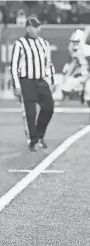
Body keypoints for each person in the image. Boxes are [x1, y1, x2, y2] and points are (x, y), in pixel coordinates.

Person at [10, 17, 55, 152]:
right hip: (26, 81)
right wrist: (16, 85)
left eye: (37, 27)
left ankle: (40, 134)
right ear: (28, 28)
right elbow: (14, 66)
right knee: (30, 112)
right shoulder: (20, 44)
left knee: (49, 107)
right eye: (33, 27)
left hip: (41, 80)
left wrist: (52, 81)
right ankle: (33, 139)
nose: (35, 30)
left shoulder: (44, 43)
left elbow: (48, 63)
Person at [60, 29, 90, 111]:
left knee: (88, 92)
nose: (74, 43)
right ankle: (68, 103)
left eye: (76, 41)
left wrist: (85, 72)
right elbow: (73, 63)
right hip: (81, 74)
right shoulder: (76, 51)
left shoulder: (87, 50)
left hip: (87, 74)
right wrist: (67, 75)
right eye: (73, 41)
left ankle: (83, 98)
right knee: (66, 86)